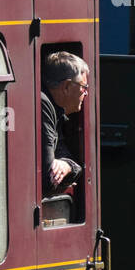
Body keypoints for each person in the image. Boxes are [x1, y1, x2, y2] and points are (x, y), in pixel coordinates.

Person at [41, 51, 89, 197]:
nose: (86, 93)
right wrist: (70, 166)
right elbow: (48, 179)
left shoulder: (57, 112)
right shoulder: (44, 106)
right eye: (83, 87)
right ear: (67, 86)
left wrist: (67, 165)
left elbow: (62, 153)